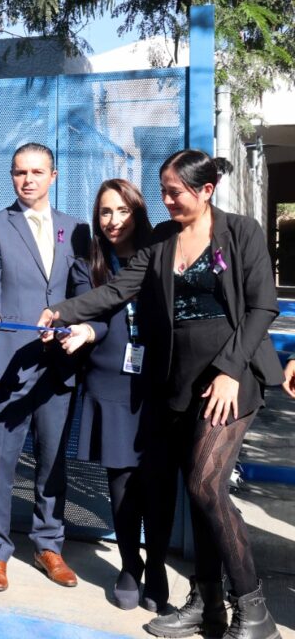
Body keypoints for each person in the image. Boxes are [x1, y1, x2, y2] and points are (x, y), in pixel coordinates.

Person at [40, 150, 283, 639]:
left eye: (176, 191)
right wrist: (63, 311)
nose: (166, 200)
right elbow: (117, 291)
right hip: (178, 382)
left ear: (206, 190)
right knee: (199, 494)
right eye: (164, 190)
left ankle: (254, 610)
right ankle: (207, 603)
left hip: (232, 381)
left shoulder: (242, 232)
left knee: (205, 485)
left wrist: (231, 370)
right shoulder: (161, 240)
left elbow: (262, 307)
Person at [0, 142, 89, 592]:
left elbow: (83, 288)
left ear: (53, 176)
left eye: (37, 172)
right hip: (8, 359)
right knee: (1, 461)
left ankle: (48, 545)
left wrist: (71, 321)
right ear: (12, 176)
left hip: (59, 361)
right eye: (20, 172)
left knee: (52, 461)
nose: (28, 180)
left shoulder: (76, 229)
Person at [56, 179, 168, 610]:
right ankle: (129, 564)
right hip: (112, 383)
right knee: (121, 482)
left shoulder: (159, 255)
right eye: (105, 212)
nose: (114, 220)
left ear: (137, 212)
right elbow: (95, 312)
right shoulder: (88, 265)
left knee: (157, 482)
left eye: (122, 210)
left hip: (159, 382)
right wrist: (85, 329)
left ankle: (156, 565)